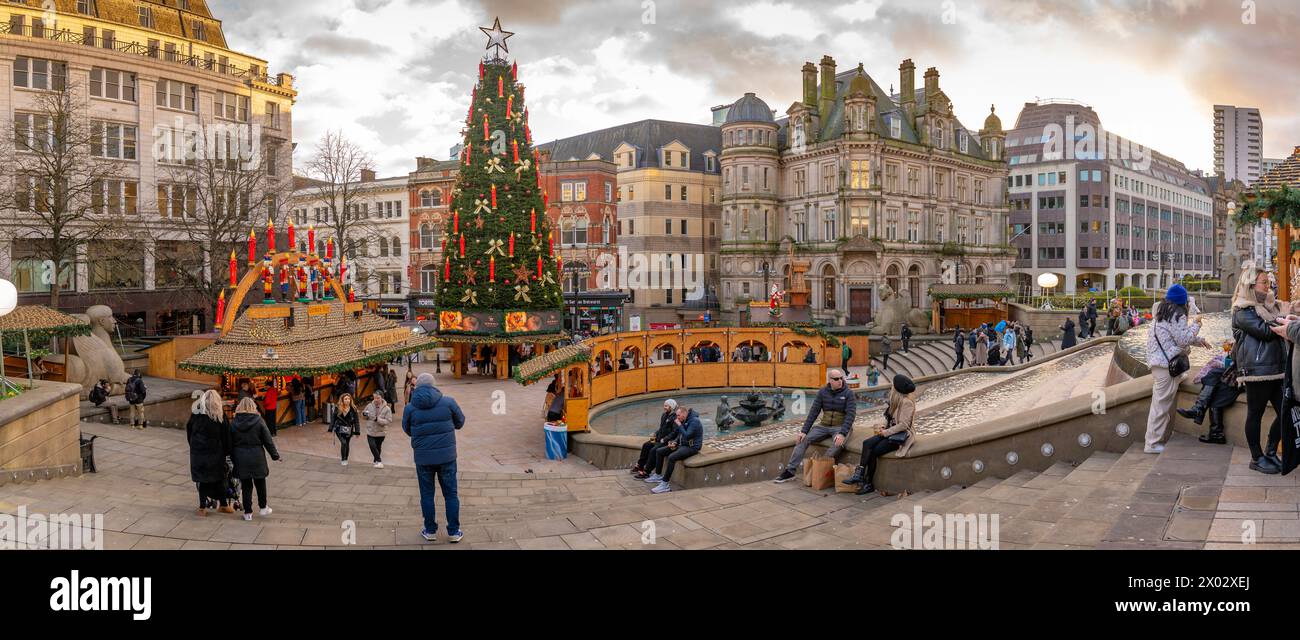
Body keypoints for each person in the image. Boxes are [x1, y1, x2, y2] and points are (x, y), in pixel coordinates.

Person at [1232, 266, 1291, 473]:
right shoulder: (1242, 310)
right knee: (1255, 414)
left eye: (1269, 281)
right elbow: (1266, 332)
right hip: (1257, 372)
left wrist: (1287, 313)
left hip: (1277, 369)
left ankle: (1271, 451)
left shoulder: (1269, 307)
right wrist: (1284, 317)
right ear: (1251, 285)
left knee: (1287, 411)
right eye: (1264, 282)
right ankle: (1257, 458)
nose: (1269, 285)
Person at [1145, 284, 1209, 455]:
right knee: (1160, 407)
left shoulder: (1163, 313)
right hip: (1166, 368)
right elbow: (1183, 339)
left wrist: (1199, 340)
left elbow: (1176, 336)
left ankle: (1154, 441)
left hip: (1158, 365)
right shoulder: (1177, 315)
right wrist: (1197, 324)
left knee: (1160, 404)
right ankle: (1152, 444)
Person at [403, 372, 466, 543]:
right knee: (451, 494)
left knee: (427, 495)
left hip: (423, 458)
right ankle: (453, 531)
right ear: (433, 385)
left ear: (417, 386)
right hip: (447, 457)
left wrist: (421, 436)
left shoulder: (410, 407)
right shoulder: (448, 402)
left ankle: (430, 530)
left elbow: (407, 429)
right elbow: (460, 422)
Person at [773, 369, 857, 483]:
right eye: (836, 379)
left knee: (837, 444)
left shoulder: (848, 393)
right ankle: (790, 471)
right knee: (803, 439)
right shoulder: (823, 392)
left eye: (841, 378)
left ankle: (818, 471)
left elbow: (850, 415)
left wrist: (842, 434)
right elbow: (813, 412)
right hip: (824, 425)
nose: (840, 381)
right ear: (830, 380)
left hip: (840, 427)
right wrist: (804, 431)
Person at [843, 374, 917, 495]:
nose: (891, 387)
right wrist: (884, 426)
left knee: (873, 451)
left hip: (900, 437)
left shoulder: (906, 403)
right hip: (890, 433)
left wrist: (886, 432)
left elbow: (904, 425)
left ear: (897, 388)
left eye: (893, 385)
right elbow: (891, 419)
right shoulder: (895, 401)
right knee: (866, 443)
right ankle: (860, 474)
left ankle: (868, 483)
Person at [1177, 341, 1240, 445]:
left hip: (1246, 377)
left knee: (1213, 375)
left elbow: (1237, 357)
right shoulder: (1249, 335)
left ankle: (1199, 410)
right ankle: (1215, 433)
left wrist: (1233, 348)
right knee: (1214, 381)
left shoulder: (1248, 336)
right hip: (1240, 373)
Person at [230, 397, 280, 521]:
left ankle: (248, 513)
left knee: (246, 485)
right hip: (257, 456)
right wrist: (275, 455)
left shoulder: (234, 422)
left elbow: (230, 442)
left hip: (240, 456)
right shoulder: (259, 421)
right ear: (253, 407)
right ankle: (263, 508)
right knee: (260, 482)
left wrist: (230, 456)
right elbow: (267, 440)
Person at [188, 390, 233, 515]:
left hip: (198, 453)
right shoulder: (219, 415)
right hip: (215, 454)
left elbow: (189, 430)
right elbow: (226, 436)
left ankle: (202, 508)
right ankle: (223, 505)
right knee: (220, 478)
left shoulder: (196, 413)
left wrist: (193, 446)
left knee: (203, 480)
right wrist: (227, 451)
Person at [645, 405, 703, 494]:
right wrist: (674, 442)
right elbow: (680, 434)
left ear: (684, 414)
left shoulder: (694, 421)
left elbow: (687, 435)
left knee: (672, 457)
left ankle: (665, 485)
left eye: (678, 415)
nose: (677, 417)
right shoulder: (685, 419)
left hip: (692, 447)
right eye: (676, 415)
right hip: (682, 445)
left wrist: (679, 425)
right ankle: (658, 475)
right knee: (659, 451)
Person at [633, 399, 678, 477]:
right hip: (658, 439)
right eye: (664, 405)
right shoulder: (664, 415)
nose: (664, 407)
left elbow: (674, 432)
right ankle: (640, 465)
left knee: (653, 450)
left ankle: (646, 472)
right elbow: (661, 428)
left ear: (671, 407)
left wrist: (665, 439)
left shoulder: (675, 418)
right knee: (646, 445)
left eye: (666, 406)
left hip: (665, 441)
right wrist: (656, 433)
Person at [361, 390, 393, 468]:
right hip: (370, 431)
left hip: (381, 432)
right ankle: (379, 461)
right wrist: (364, 415)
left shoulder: (387, 409)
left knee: (378, 447)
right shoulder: (369, 405)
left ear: (382, 398)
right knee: (372, 446)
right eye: (375, 398)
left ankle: (376, 460)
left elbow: (388, 421)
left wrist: (377, 419)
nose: (376, 400)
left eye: (378, 398)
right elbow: (363, 415)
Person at [330, 393, 360, 466]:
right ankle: (343, 459)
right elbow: (333, 418)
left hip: (349, 429)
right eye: (345, 399)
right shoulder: (338, 408)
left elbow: (356, 421)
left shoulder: (354, 409)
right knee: (343, 442)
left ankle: (346, 458)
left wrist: (357, 432)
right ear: (342, 400)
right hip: (339, 428)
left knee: (347, 443)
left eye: (349, 399)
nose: (347, 400)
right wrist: (331, 428)